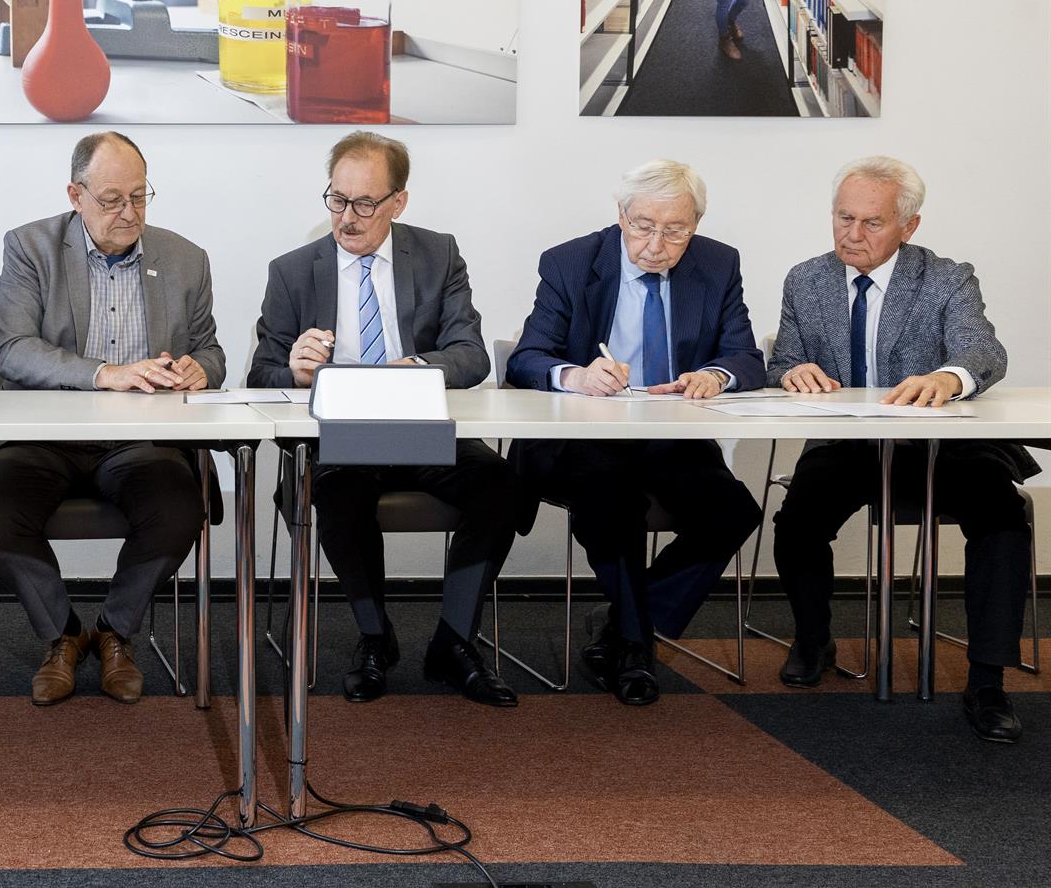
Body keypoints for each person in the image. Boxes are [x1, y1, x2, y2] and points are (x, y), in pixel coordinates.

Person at [247, 133, 530, 707]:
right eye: (337, 200)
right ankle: (375, 637)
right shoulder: (293, 271)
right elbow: (261, 373)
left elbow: (470, 355)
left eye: (364, 204)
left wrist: (417, 366)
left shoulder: (438, 254)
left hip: (420, 426)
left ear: (399, 202)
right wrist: (296, 373)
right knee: (337, 490)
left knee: (501, 484)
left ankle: (454, 640)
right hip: (340, 439)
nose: (347, 218)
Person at [766, 158, 1037, 743]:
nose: (852, 235)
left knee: (1003, 521)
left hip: (944, 447)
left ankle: (988, 681)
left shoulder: (946, 278)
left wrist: (949, 377)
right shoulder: (806, 280)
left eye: (871, 223)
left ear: (908, 226)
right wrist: (794, 371)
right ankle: (814, 638)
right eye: (843, 218)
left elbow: (983, 351)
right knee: (797, 521)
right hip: (851, 446)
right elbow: (782, 360)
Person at [0, 132, 225, 705]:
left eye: (139, 197)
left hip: (139, 440)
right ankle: (62, 634)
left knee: (180, 506)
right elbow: (12, 349)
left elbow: (212, 351)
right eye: (112, 200)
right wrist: (104, 373)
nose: (129, 213)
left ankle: (114, 630)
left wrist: (197, 371)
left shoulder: (186, 259)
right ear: (75, 194)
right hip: (45, 435)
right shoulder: (30, 247)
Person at [505, 161, 763, 707]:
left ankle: (624, 622)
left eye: (675, 230)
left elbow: (746, 357)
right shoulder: (571, 262)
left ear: (695, 224)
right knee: (611, 503)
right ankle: (636, 649)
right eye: (643, 226)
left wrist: (714, 375)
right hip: (584, 440)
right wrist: (573, 376)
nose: (656, 244)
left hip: (670, 437)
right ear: (621, 216)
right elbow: (525, 358)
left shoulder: (717, 264)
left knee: (736, 511)